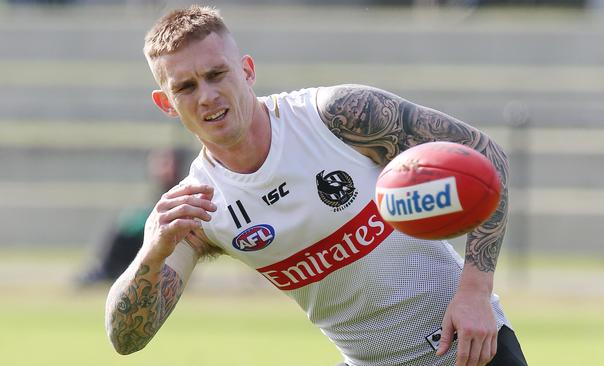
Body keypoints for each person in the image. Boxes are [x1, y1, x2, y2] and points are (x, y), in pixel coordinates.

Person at [105, 6, 527, 366]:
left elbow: (485, 155)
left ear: (248, 71)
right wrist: (152, 253)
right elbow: (125, 339)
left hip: (471, 350)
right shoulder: (196, 207)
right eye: (185, 87)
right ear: (166, 103)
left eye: (217, 74)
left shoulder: (336, 116)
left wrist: (475, 292)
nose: (208, 96)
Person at [77, 148, 185, 286]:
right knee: (124, 226)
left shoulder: (180, 188)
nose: (160, 169)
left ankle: (108, 270)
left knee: (127, 229)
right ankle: (107, 269)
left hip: (168, 238)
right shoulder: (161, 188)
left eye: (165, 164)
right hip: (157, 233)